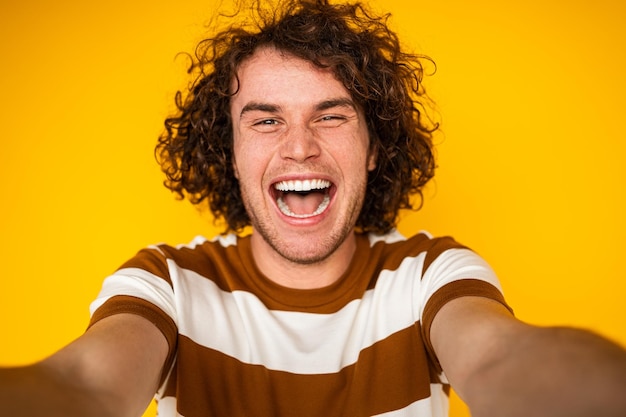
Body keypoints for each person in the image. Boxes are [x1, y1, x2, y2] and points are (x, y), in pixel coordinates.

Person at [2, 0, 626, 416]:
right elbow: (83, 386)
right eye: (266, 120)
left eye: (331, 116)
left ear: (375, 146)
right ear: (233, 152)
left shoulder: (431, 272)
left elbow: (503, 356)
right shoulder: (167, 284)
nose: (300, 146)